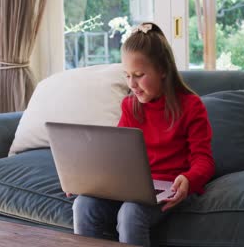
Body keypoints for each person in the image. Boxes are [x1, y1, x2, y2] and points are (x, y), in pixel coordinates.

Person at [71, 22, 215, 246]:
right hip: (133, 187)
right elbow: (115, 154)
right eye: (127, 75)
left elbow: (204, 160)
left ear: (163, 70)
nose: (132, 84)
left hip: (170, 187)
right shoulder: (130, 106)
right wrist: (85, 180)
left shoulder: (191, 106)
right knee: (83, 204)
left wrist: (188, 179)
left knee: (131, 213)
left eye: (139, 75)